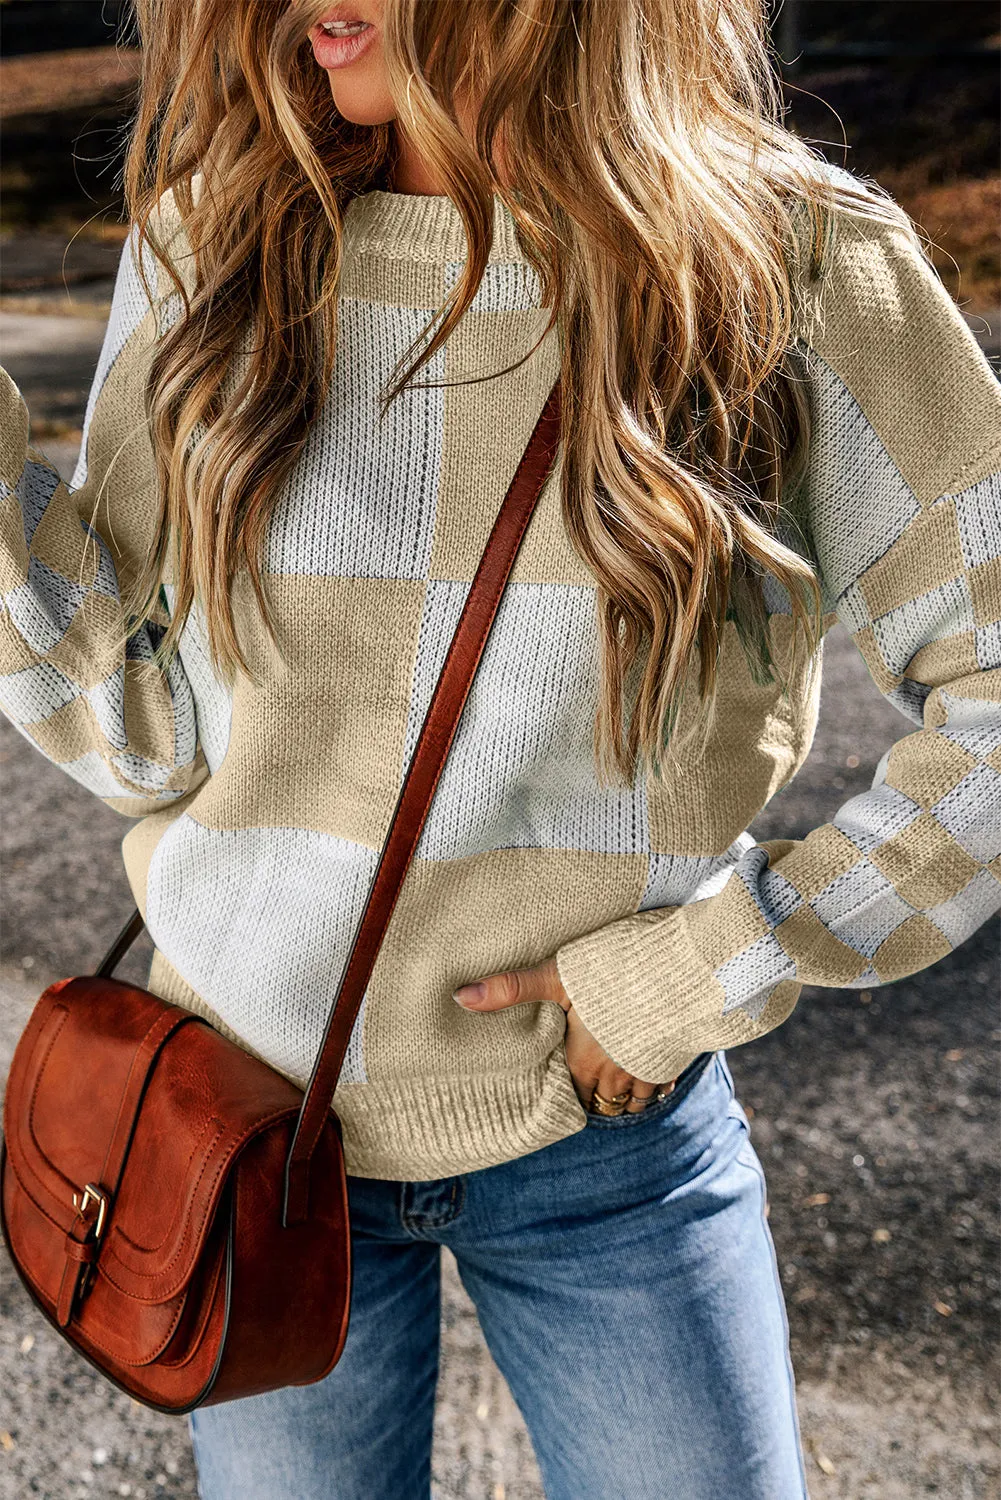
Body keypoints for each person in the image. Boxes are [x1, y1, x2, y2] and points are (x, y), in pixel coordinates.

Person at [1, 0, 998, 1495]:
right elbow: (145, 734)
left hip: (607, 1143)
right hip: (242, 1132)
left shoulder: (789, 265)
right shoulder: (218, 246)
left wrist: (708, 967)